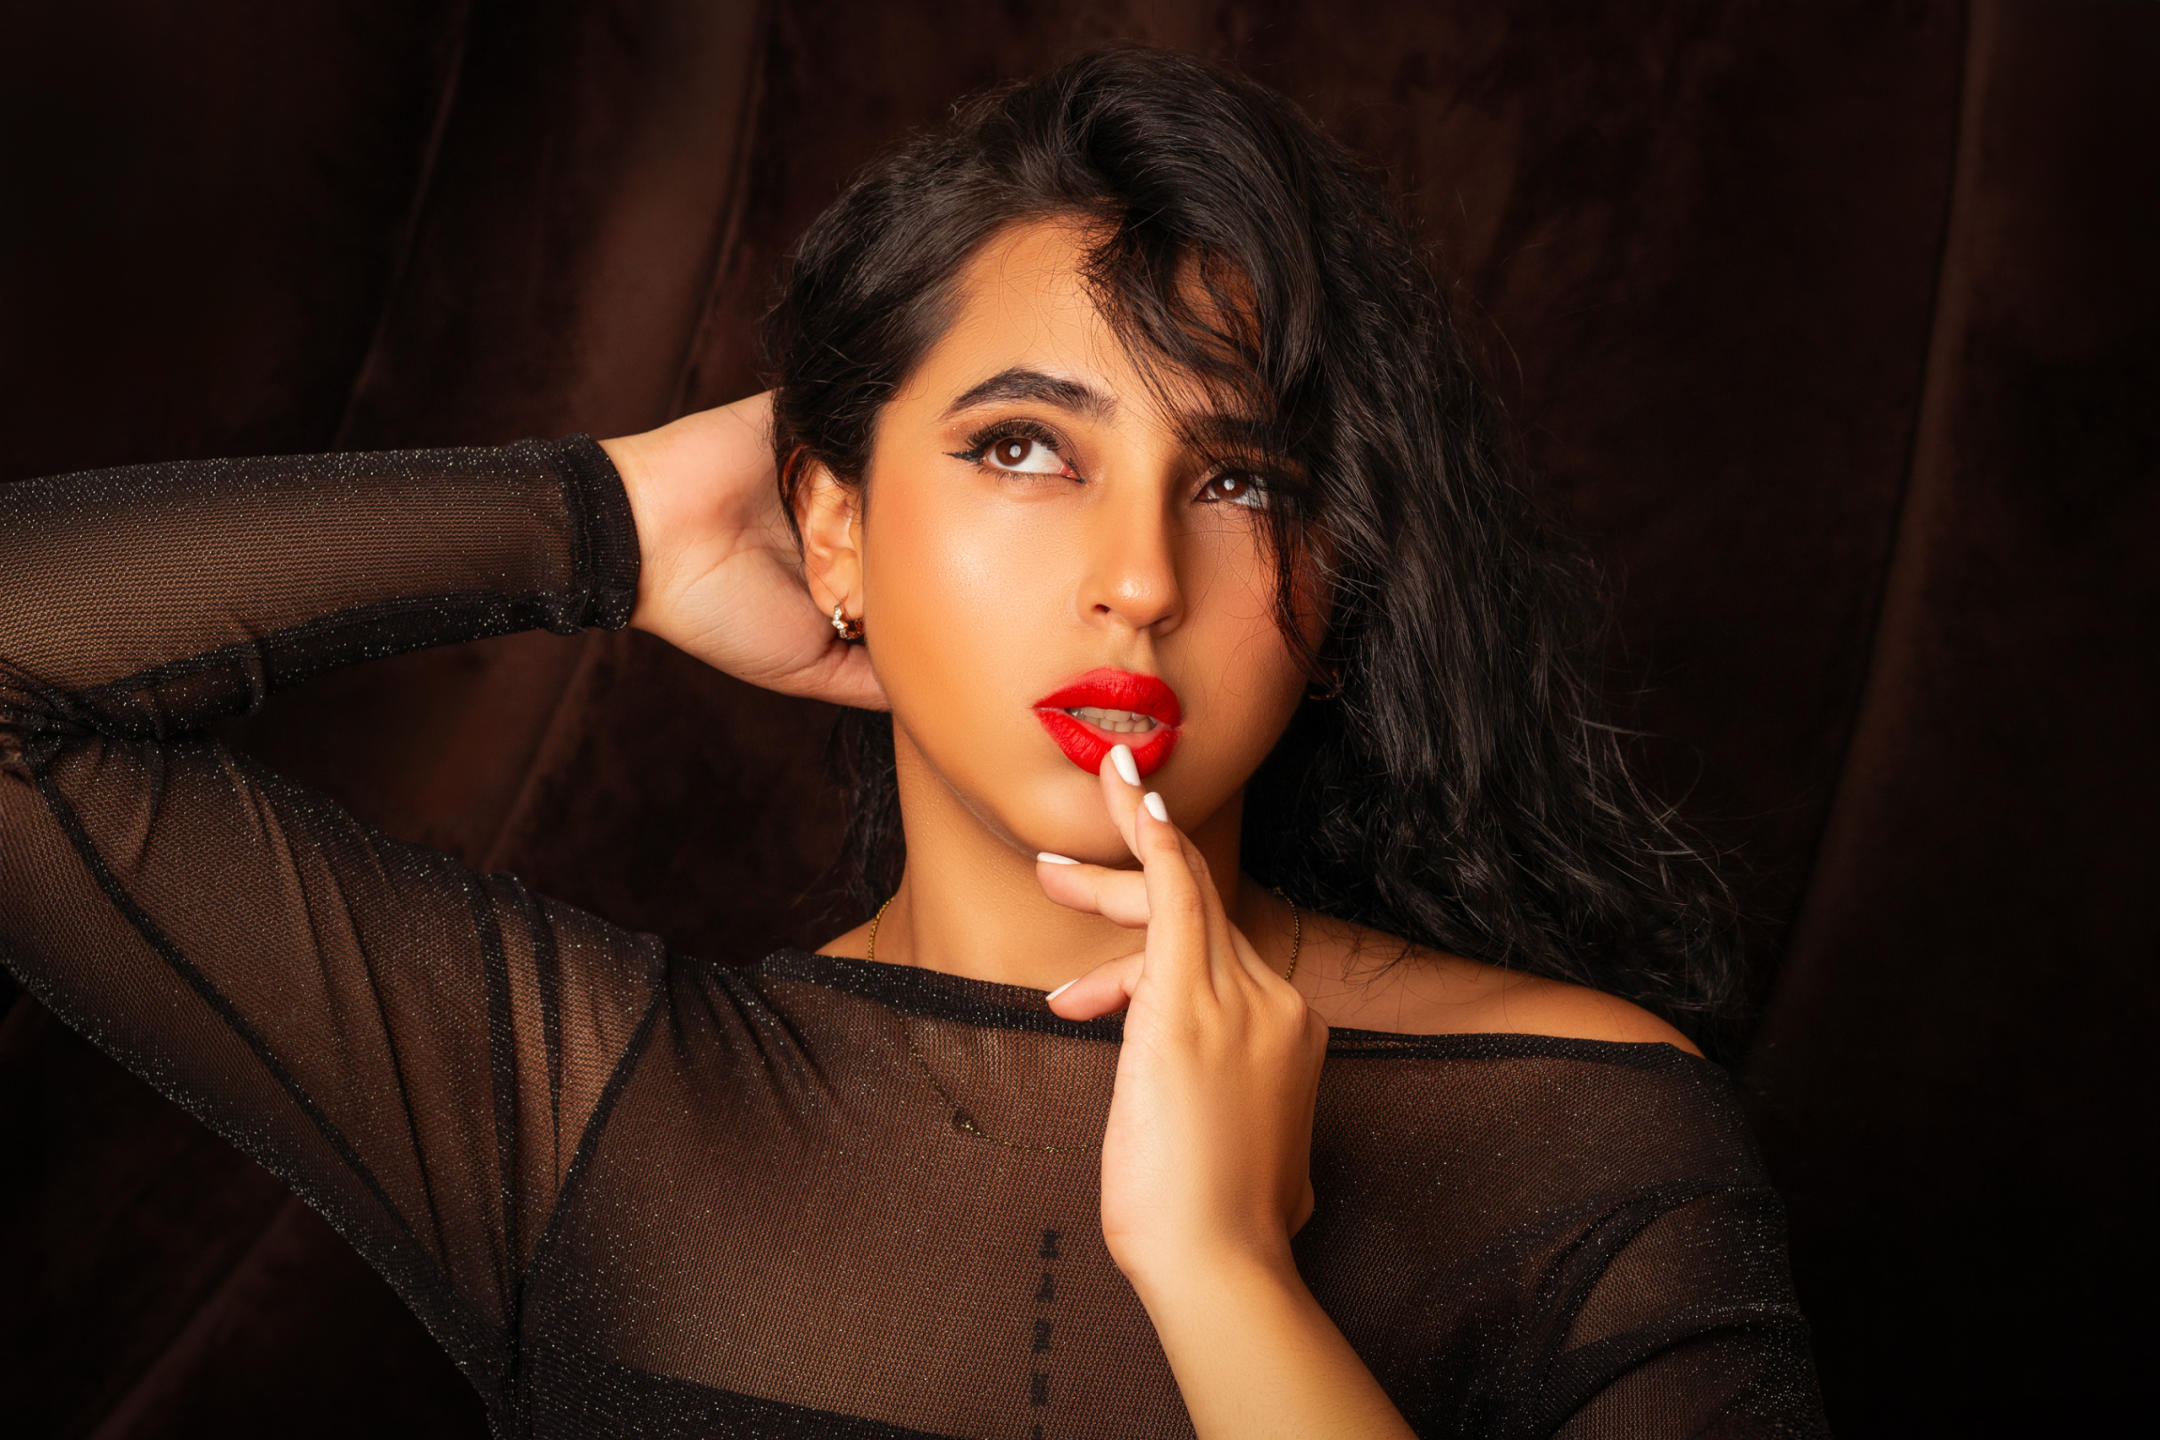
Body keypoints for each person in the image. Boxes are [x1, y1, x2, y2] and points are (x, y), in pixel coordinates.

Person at [0, 45, 1829, 1439]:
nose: (1139, 581)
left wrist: (1223, 1275)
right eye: (1024, 449)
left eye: (1243, 481)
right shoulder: (595, 1122)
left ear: (1341, 572)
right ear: (836, 527)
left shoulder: (1579, 1133)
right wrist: (610, 521)